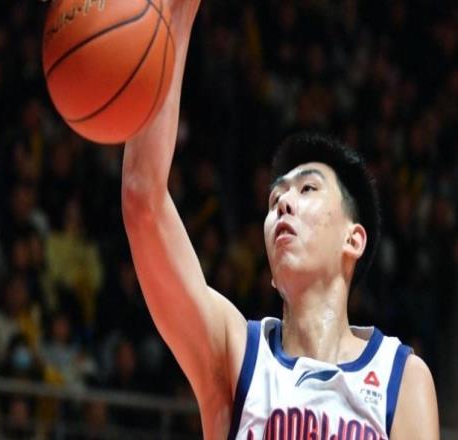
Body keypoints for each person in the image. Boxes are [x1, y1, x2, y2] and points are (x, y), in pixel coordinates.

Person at [121, 1, 439, 439]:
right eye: (274, 200)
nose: (283, 205)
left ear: (353, 239)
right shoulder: (239, 354)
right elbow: (143, 198)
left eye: (307, 189)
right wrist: (175, 18)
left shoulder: (401, 378)